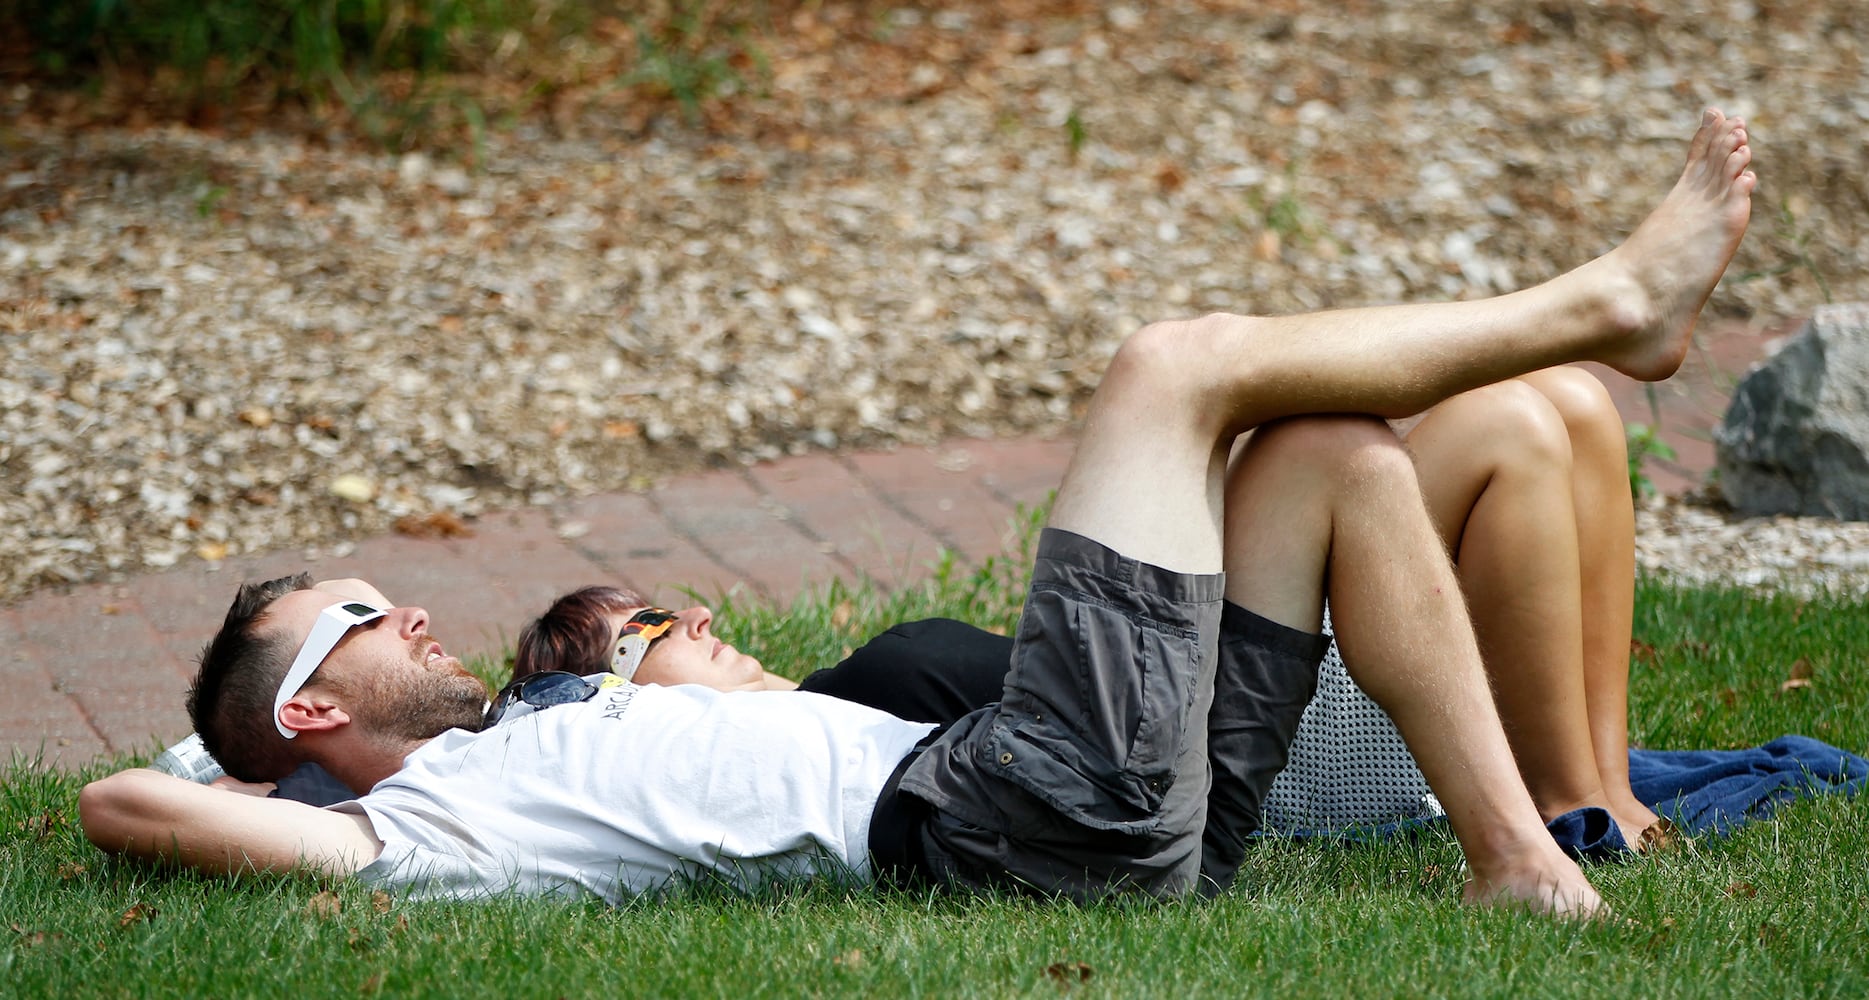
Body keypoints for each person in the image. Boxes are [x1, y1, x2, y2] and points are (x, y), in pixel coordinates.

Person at [79, 108, 1756, 918]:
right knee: (1168, 366)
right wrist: (227, 757)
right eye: (363, 619)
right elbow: (120, 808)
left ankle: (1516, 863)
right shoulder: (426, 832)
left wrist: (277, 714)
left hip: (1100, 814)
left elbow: (222, 758)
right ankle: (1601, 305)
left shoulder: (519, 729)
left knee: (1332, 457)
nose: (412, 612)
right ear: (307, 708)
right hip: (1002, 805)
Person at [512, 365, 1668, 850]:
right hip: (1286, 752)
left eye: (671, 606)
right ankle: (1574, 802)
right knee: (1515, 429)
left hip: (1252, 690)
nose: (694, 620)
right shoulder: (812, 745)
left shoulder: (836, 707)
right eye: (649, 632)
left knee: (1568, 400)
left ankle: (1604, 783)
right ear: (612, 704)